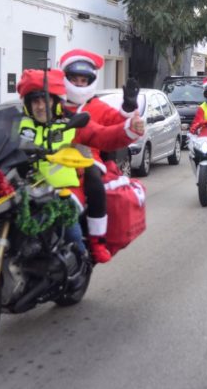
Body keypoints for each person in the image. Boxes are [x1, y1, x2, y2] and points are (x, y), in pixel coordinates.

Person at [16, 68, 144, 262]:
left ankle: (81, 255)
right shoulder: (19, 124)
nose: (41, 106)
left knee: (67, 221)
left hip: (66, 187)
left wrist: (129, 129)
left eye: (45, 100)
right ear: (27, 103)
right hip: (28, 186)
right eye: (35, 101)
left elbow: (104, 135)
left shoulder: (71, 123)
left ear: (55, 101)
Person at [59, 49, 140, 263]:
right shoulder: (52, 102)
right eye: (74, 79)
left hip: (87, 157)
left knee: (94, 182)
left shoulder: (96, 106)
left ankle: (96, 241)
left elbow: (116, 123)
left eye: (83, 80)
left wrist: (129, 107)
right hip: (49, 157)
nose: (79, 84)